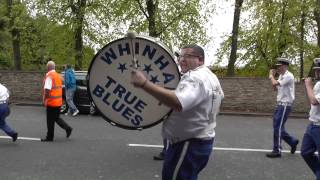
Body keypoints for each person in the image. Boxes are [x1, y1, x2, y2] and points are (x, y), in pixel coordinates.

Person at [131, 44, 224, 180]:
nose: (181, 60)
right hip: (199, 141)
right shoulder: (210, 76)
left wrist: (144, 83)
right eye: (180, 56)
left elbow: (178, 102)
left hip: (188, 144)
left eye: (187, 56)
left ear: (200, 60)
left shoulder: (195, 78)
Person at [266, 57, 299, 158]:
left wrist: (271, 76)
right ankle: (292, 142)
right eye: (277, 66)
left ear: (284, 66)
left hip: (285, 105)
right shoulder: (281, 76)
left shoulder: (289, 76)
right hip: (280, 104)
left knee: (278, 127)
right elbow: (275, 88)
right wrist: (274, 79)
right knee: (278, 127)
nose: (278, 68)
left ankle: (277, 150)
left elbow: (275, 83)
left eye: (279, 66)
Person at [41, 60, 73, 142]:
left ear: (47, 67)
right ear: (54, 67)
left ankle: (49, 137)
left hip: (51, 102)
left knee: (50, 120)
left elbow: (47, 90)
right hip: (58, 101)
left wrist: (45, 100)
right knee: (56, 118)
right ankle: (68, 128)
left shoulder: (49, 76)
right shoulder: (58, 75)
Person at [301, 58, 320, 179]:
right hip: (312, 125)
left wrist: (308, 85)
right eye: (316, 70)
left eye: (319, 70)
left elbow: (314, 101)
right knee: (305, 152)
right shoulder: (318, 83)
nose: (317, 73)